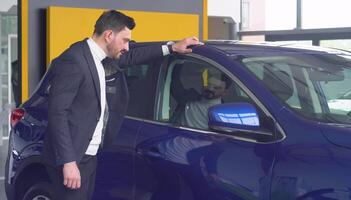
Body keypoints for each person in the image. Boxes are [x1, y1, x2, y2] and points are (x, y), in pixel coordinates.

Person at [41, 9, 203, 200]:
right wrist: (68, 162)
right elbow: (57, 112)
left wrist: (171, 48)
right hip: (73, 158)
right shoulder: (74, 61)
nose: (127, 46)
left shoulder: (101, 58)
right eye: (125, 40)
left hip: (88, 156)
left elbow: (132, 57)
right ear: (109, 35)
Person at [171, 65, 231, 130]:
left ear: (225, 92)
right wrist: (179, 63)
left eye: (216, 88)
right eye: (208, 84)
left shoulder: (222, 113)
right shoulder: (190, 97)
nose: (210, 89)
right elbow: (174, 83)